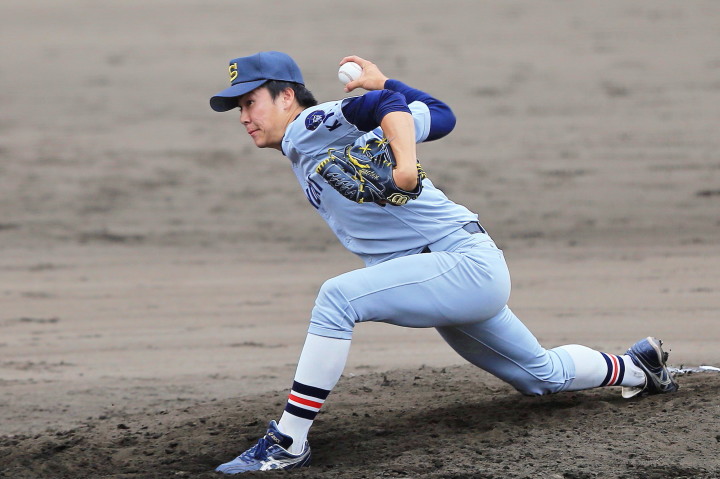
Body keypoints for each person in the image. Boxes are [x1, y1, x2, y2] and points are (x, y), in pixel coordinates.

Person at [208, 51, 678, 474]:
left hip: (458, 265)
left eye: (250, 102)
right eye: (238, 108)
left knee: (337, 298)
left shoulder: (312, 124)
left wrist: (403, 160)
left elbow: (381, 107)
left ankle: (288, 441)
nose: (244, 117)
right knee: (540, 376)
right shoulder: (324, 137)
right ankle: (639, 367)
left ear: (286, 96)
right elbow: (440, 114)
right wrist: (386, 83)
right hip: (452, 272)